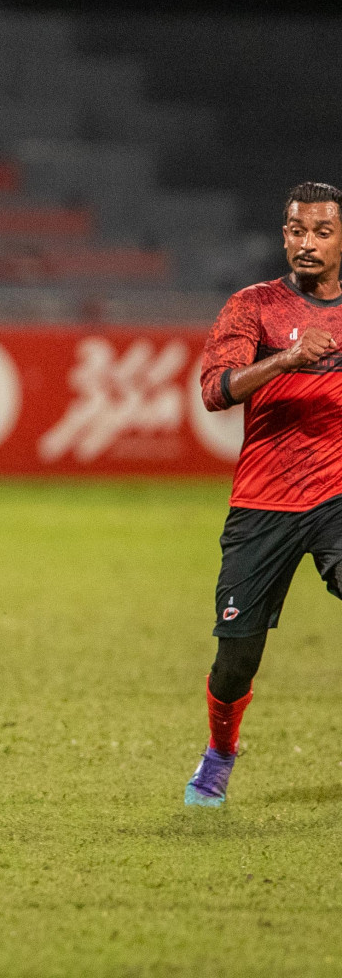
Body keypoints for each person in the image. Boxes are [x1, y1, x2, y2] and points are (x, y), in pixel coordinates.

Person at [186, 181, 342, 807]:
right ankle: (220, 754)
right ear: (284, 236)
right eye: (297, 231)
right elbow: (214, 390)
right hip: (264, 503)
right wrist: (289, 359)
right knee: (235, 662)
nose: (308, 243)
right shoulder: (253, 307)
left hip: (336, 496)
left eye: (322, 232)